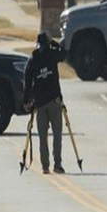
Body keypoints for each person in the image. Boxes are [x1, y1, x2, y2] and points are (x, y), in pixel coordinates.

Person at [23, 32, 67, 174]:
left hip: (40, 103)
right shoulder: (52, 54)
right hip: (54, 100)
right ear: (47, 44)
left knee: (43, 136)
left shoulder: (33, 60)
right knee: (57, 134)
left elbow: (27, 82)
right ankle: (57, 164)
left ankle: (45, 166)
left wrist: (26, 101)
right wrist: (54, 43)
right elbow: (64, 53)